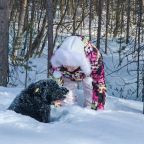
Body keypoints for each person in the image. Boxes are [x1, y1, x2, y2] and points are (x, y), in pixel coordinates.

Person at [50, 35, 106, 110]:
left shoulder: (94, 58)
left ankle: (90, 111)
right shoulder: (58, 58)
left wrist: (97, 106)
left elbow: (99, 83)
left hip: (87, 73)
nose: (69, 69)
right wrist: (57, 104)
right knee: (67, 95)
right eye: (67, 66)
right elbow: (56, 83)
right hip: (66, 75)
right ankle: (68, 112)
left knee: (90, 86)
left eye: (72, 66)